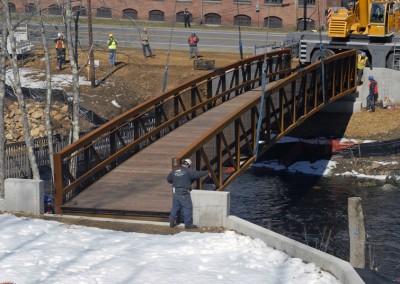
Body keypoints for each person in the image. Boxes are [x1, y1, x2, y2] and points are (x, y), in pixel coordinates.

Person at [167, 158, 210, 229]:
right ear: (189, 165)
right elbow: (197, 174)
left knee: (175, 207)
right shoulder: (189, 171)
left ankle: (171, 222)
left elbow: (169, 179)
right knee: (187, 207)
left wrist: (176, 180)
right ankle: (188, 224)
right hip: (184, 193)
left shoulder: (174, 170)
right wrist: (207, 172)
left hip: (175, 192)